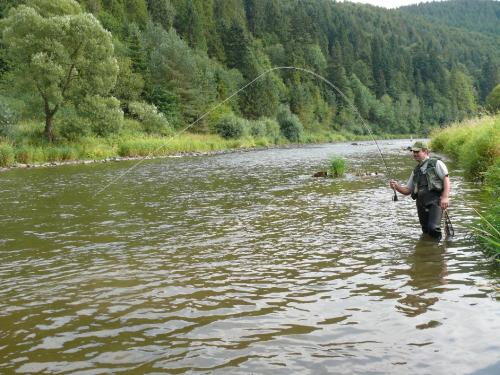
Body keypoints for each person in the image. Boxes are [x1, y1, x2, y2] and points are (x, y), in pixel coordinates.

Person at [390, 141, 450, 240]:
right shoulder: (415, 171)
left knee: (433, 228)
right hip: (421, 204)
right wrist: (396, 186)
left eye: (417, 152)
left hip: (436, 202)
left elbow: (446, 179)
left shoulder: (437, 163)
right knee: (425, 230)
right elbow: (407, 190)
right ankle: (428, 251)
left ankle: (437, 252)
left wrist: (445, 197)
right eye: (413, 152)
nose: (414, 154)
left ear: (425, 151)